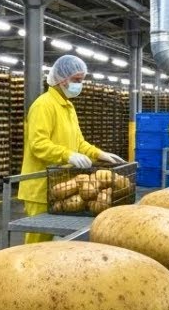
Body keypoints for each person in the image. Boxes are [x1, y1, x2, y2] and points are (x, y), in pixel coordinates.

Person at [19, 54, 125, 243]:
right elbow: (38, 144)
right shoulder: (43, 105)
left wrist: (98, 153)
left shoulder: (68, 107)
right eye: (76, 80)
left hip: (62, 186)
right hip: (40, 187)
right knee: (37, 243)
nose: (79, 85)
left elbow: (79, 143)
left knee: (50, 243)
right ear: (62, 79)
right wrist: (67, 155)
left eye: (81, 80)